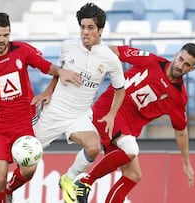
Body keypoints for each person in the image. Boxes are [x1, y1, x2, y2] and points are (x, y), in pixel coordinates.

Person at [0, 12, 81, 203]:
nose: (2, 40)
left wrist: (60, 72)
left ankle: (9, 189)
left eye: (5, 35)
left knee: (29, 170)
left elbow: (46, 66)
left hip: (23, 123)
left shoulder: (21, 50)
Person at [74, 43, 195, 203]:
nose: (180, 65)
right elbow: (116, 51)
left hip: (128, 127)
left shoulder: (178, 97)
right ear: (176, 54)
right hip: (111, 109)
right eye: (180, 59)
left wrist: (186, 163)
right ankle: (84, 182)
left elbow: (181, 131)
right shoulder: (151, 61)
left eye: (187, 65)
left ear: (192, 69)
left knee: (133, 175)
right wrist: (92, 65)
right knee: (130, 149)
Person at [31, 3, 125, 203]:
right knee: (26, 153)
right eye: (82, 27)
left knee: (93, 147)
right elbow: (59, 72)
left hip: (79, 115)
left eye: (90, 28)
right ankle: (1, 170)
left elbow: (120, 90)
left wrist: (112, 114)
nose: (85, 32)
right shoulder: (68, 46)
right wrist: (48, 91)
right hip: (54, 111)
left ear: (100, 30)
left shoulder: (109, 59)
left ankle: (68, 178)